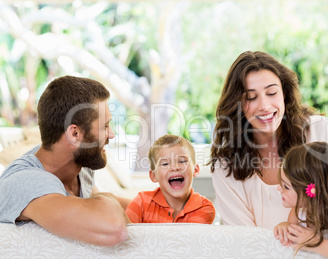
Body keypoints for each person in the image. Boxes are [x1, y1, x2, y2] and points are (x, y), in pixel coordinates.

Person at [210, 51, 328, 229]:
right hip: (264, 256)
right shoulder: (225, 165)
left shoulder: (320, 130)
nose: (265, 106)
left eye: (272, 93)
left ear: (285, 94)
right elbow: (243, 242)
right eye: (251, 97)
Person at [0, 75, 131, 246]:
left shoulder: (78, 163)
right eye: (105, 126)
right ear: (75, 134)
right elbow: (114, 228)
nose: (111, 134)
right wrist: (103, 198)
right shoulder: (26, 183)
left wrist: (161, 204)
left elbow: (96, 201)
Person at [126, 134, 215, 223]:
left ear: (195, 170)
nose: (175, 167)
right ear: (154, 176)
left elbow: (187, 236)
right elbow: (128, 235)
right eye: (165, 164)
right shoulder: (141, 203)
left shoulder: (205, 207)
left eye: (182, 161)